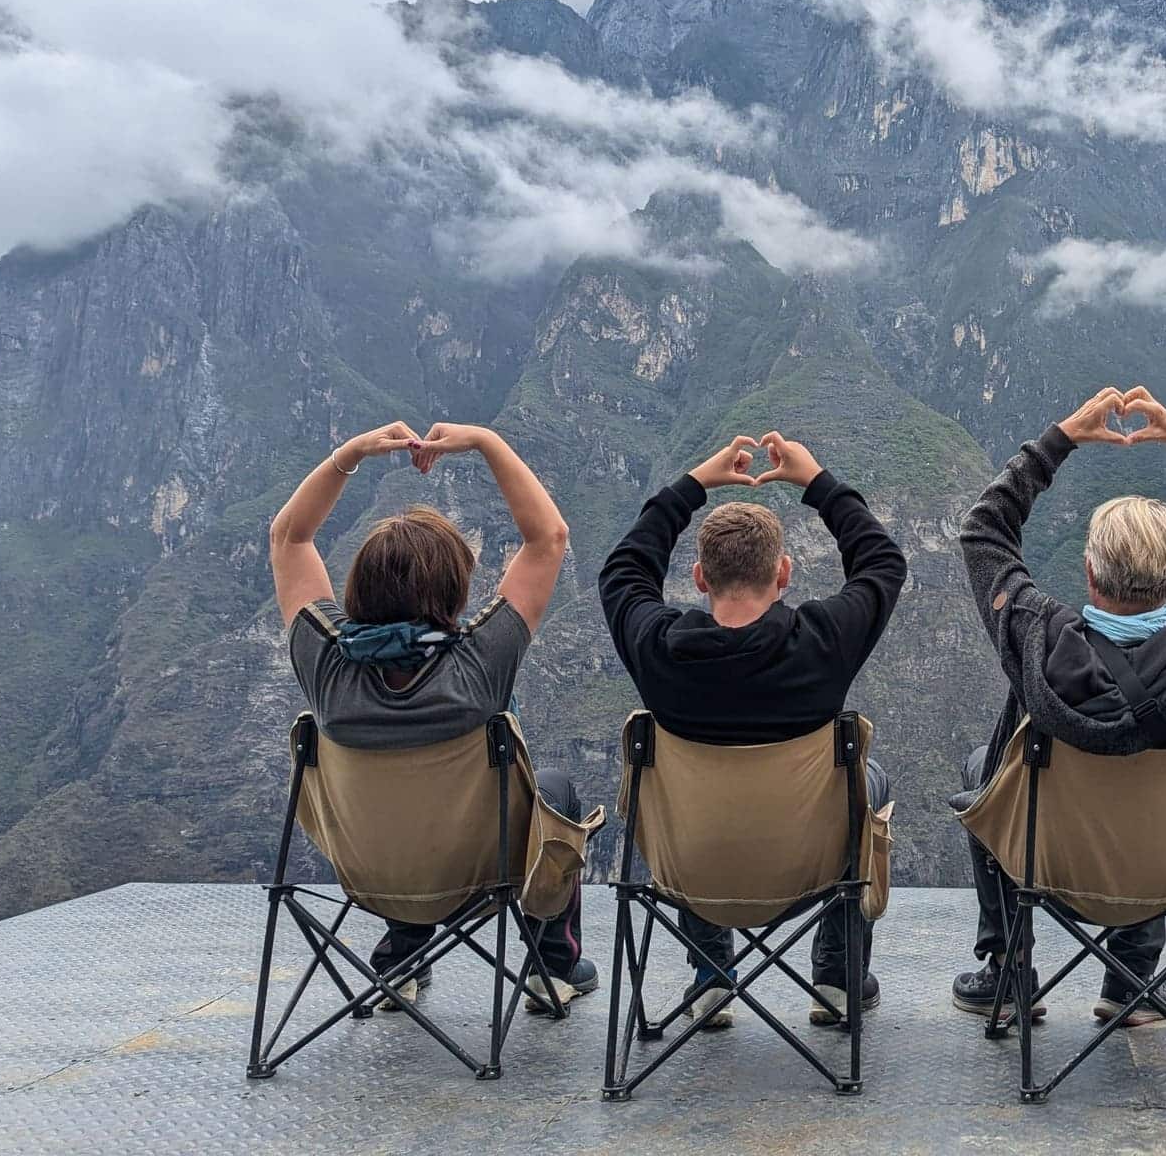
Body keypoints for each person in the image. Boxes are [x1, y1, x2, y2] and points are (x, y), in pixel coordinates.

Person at [953, 385, 1166, 1025]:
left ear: (1090, 572)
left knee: (984, 772)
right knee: (1150, 782)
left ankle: (1009, 970)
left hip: (1051, 866)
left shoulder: (1038, 641)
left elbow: (984, 529)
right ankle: (1131, 980)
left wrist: (1062, 437)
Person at [269, 420, 592, 1013]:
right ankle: (553, 966)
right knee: (557, 790)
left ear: (358, 589)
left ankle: (402, 959)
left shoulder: (327, 666)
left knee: (399, 805)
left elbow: (289, 538)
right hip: (479, 878)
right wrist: (487, 442)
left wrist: (350, 453)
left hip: (371, 876)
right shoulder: (480, 663)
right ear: (455, 591)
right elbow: (548, 538)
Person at [598, 431, 907, 1028]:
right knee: (866, 776)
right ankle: (836, 979)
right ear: (784, 573)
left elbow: (623, 571)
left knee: (682, 788)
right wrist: (817, 482)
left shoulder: (658, 649)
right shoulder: (823, 643)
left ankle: (711, 977)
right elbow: (883, 563)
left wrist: (692, 485)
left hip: (692, 872)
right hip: (806, 873)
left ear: (699, 577)